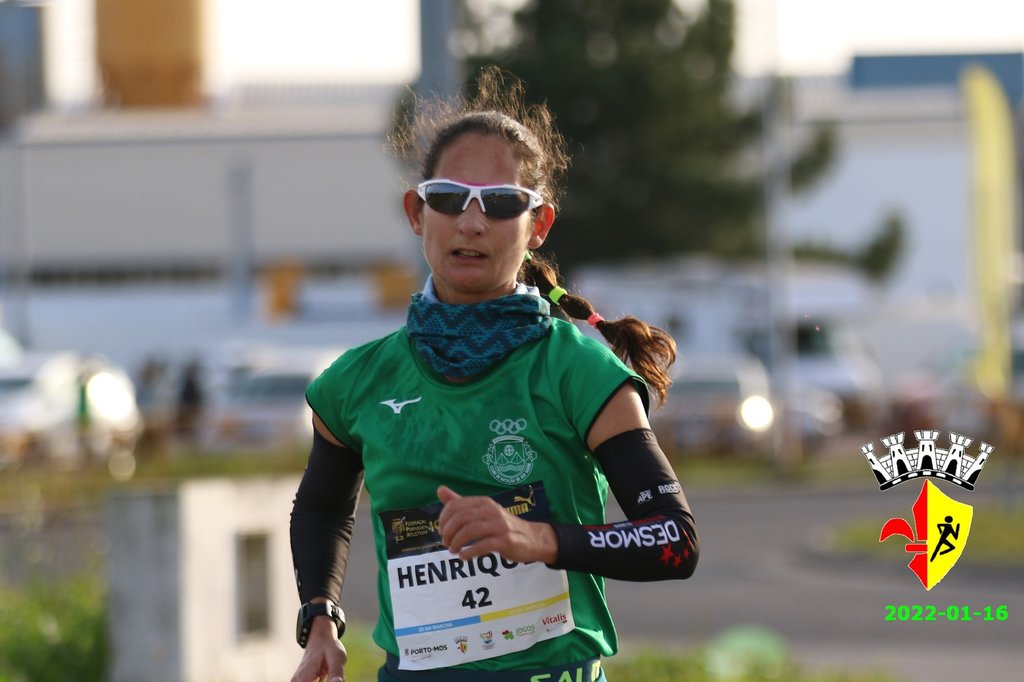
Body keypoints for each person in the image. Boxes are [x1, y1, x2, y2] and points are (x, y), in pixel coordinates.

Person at [289, 66, 699, 682]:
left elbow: (674, 540)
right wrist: (321, 618)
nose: (472, 223)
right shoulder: (358, 382)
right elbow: (321, 510)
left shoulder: (579, 370)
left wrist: (536, 539)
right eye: (450, 199)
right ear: (416, 212)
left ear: (538, 226)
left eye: (502, 204)